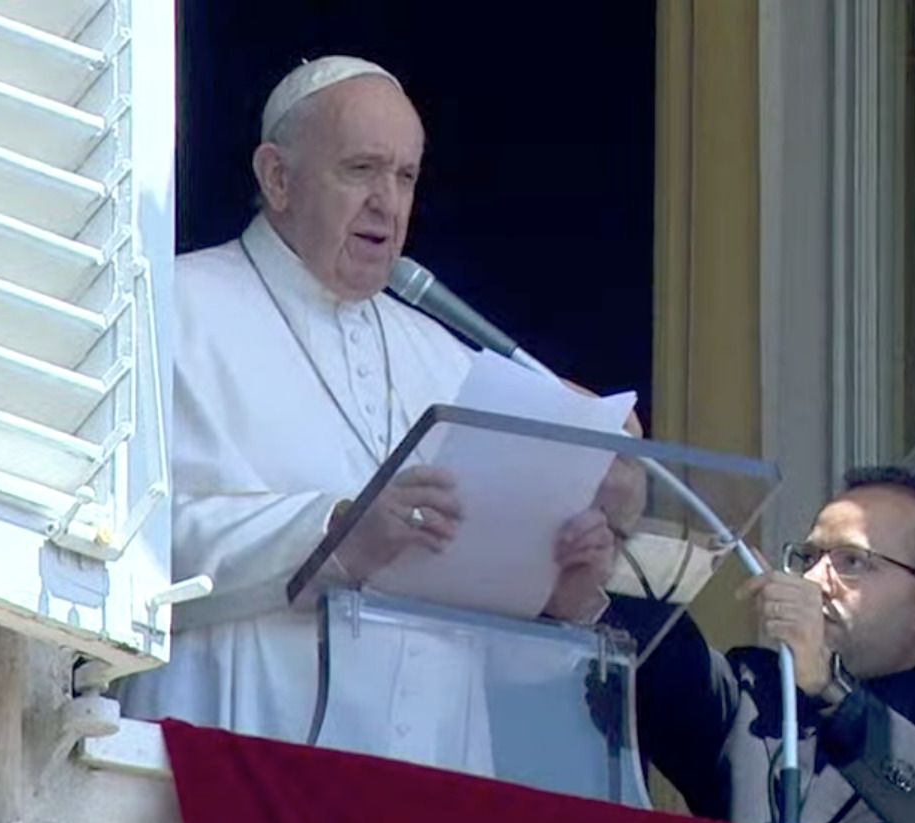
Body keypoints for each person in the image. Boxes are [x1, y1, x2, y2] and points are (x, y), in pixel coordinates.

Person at [122, 57, 620, 771]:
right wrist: (333, 533)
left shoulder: (449, 362)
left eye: (406, 176)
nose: (388, 202)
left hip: (429, 780)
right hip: (235, 750)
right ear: (277, 177)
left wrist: (555, 593)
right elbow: (124, 547)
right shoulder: (170, 309)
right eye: (361, 170)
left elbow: (485, 639)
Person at [630, 467, 915, 823]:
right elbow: (649, 655)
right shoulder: (752, 695)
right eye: (808, 558)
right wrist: (618, 521)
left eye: (853, 561)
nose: (813, 580)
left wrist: (830, 689)